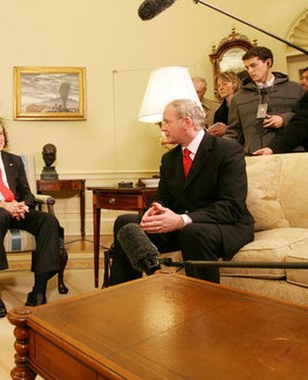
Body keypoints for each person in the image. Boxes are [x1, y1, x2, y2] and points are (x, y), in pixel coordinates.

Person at [109, 99, 254, 286]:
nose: (163, 128)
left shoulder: (227, 150)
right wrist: (154, 212)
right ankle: (125, 293)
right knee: (125, 222)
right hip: (181, 226)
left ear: (186, 122)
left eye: (166, 122)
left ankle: (204, 304)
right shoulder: (169, 158)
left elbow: (231, 206)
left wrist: (181, 220)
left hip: (226, 225)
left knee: (192, 232)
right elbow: (163, 199)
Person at [0, 119, 62, 317]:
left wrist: (23, 205)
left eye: (1, 133)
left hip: (17, 210)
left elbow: (27, 192)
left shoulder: (14, 160)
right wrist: (1, 204)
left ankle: (39, 290)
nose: (0, 138)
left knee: (48, 221)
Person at [224, 46, 305, 154]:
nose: (250, 71)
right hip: (256, 157)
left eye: (253, 65)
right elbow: (234, 132)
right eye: (247, 67)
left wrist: (284, 119)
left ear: (268, 62)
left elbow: (304, 120)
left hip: (291, 155)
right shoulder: (239, 98)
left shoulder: (296, 89)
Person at [208, 71, 243, 137]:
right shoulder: (219, 113)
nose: (221, 88)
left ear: (234, 84)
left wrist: (227, 130)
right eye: (218, 86)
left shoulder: (244, 104)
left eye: (224, 84)